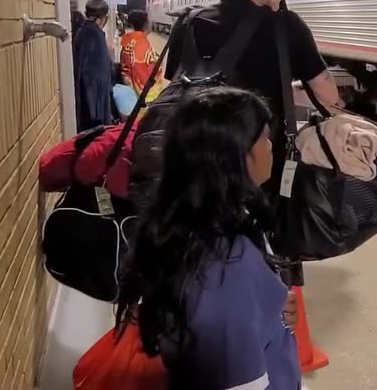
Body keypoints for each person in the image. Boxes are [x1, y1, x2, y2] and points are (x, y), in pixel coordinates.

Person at [116, 87, 301, 390]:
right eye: (265, 137)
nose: (271, 147)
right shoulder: (228, 264)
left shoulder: (196, 221)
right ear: (240, 155)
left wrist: (270, 313)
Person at [164, 0, 342, 196]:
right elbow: (329, 96)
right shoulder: (285, 25)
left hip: (195, 161)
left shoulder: (187, 22)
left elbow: (176, 87)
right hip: (260, 169)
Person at [74, 0, 115, 130]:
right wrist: (97, 113)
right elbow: (95, 77)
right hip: (95, 108)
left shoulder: (81, 31)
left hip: (87, 102)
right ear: (103, 18)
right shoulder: (94, 35)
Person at [119, 10, 163, 95]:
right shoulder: (142, 46)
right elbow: (143, 77)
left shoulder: (129, 42)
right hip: (141, 99)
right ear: (146, 24)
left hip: (130, 90)